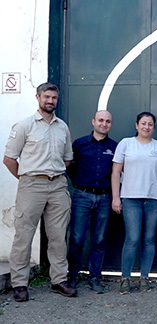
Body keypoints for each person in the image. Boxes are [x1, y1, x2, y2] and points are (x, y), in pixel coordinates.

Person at [3, 82, 77, 301]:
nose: (50, 101)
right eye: (47, 97)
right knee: (23, 236)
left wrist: (53, 175)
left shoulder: (62, 127)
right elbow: (9, 159)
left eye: (54, 98)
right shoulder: (24, 125)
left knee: (58, 236)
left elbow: (67, 159)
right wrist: (27, 178)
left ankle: (58, 280)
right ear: (38, 97)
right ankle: (19, 284)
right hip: (31, 185)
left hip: (57, 185)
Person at [111, 112, 157, 295]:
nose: (146, 127)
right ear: (136, 125)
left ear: (154, 127)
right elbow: (116, 173)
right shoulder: (126, 144)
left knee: (149, 240)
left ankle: (144, 278)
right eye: (143, 123)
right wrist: (116, 197)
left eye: (150, 124)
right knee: (132, 239)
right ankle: (125, 278)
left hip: (154, 198)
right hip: (130, 198)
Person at [67, 110, 118, 293]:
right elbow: (71, 169)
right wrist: (80, 185)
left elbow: (116, 173)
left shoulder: (114, 146)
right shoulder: (79, 144)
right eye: (101, 120)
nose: (104, 124)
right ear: (93, 121)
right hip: (82, 195)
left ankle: (95, 277)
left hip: (105, 197)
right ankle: (72, 275)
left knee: (99, 239)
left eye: (108, 121)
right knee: (77, 238)